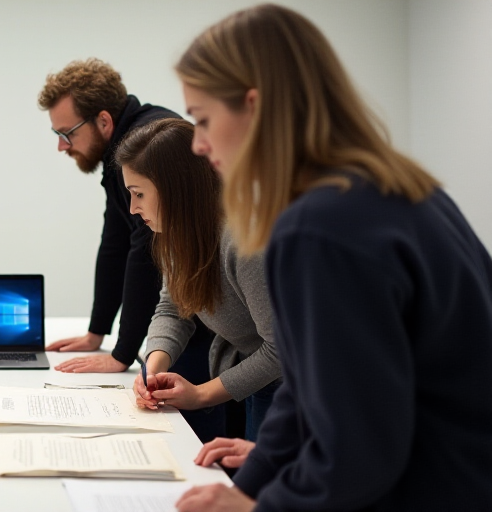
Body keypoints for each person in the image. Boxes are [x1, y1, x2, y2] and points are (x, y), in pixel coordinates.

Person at [171, 4, 492, 511]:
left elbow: (358, 451)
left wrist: (259, 508)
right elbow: (305, 385)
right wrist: (251, 482)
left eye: (203, 119)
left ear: (254, 108)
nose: (198, 144)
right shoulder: (404, 191)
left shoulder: (319, 227)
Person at [38, 59, 222, 441]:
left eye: (66, 133)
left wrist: (121, 354)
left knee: (192, 430)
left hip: (217, 318)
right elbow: (115, 241)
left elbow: (143, 253)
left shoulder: (148, 145)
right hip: (191, 312)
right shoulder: (121, 152)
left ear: (104, 121)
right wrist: (97, 331)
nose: (61, 146)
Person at [120, 119, 281, 442]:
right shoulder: (179, 236)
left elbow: (281, 350)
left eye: (138, 194)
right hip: (249, 373)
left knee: (260, 488)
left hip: (291, 389)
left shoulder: (242, 243)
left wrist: (200, 395)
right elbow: (172, 308)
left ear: (174, 189)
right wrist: (153, 367)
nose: (134, 208)